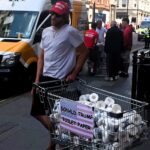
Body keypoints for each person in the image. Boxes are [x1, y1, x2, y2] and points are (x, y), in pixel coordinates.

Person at [30, 1, 89, 150]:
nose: (52, 17)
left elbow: (84, 52)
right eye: (52, 14)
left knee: (54, 113)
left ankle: (54, 143)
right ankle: (58, 135)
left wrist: (74, 72)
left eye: (56, 15)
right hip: (44, 78)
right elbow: (41, 57)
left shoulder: (70, 32)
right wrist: (37, 80)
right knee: (37, 113)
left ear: (64, 17)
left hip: (59, 80)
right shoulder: (46, 31)